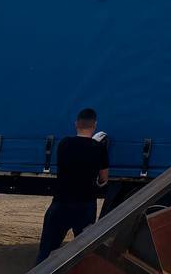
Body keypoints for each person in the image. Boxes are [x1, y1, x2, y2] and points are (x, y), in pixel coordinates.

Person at [35, 107, 110, 263]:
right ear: (94, 125)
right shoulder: (99, 148)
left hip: (61, 204)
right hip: (85, 206)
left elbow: (78, 151)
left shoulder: (64, 144)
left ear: (76, 124)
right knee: (84, 253)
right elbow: (103, 178)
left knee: (46, 252)